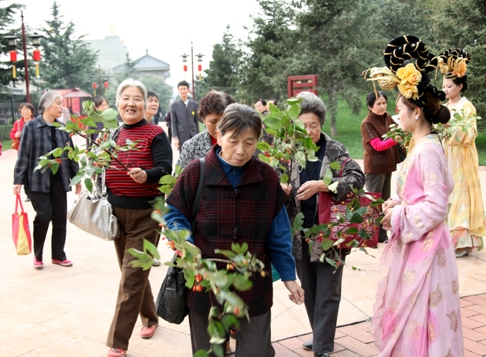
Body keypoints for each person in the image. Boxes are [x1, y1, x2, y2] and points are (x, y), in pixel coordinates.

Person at [165, 103, 304, 357]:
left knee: (256, 351)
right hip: (205, 283)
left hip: (253, 285)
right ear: (218, 135)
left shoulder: (267, 178)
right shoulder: (196, 173)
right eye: (234, 141)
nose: (241, 151)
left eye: (249, 143)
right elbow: (174, 214)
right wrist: (186, 243)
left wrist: (288, 276)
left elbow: (279, 234)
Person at [370, 36, 462, 356]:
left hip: (428, 250)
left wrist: (397, 215)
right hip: (420, 245)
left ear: (418, 112)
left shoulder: (427, 151)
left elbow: (436, 206)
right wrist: (397, 204)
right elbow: (420, 198)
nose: (397, 115)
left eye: (400, 109)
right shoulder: (422, 147)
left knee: (424, 322)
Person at [285, 91, 364, 357]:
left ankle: (323, 347)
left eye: (313, 126)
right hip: (300, 233)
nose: (308, 131)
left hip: (330, 232)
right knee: (310, 288)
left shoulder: (334, 149)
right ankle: (319, 334)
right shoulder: (289, 152)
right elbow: (274, 180)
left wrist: (327, 185)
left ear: (321, 124)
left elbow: (357, 176)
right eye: (302, 126)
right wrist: (281, 187)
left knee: (329, 291)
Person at [105, 79, 172, 357]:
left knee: (131, 278)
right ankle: (151, 317)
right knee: (132, 271)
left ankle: (117, 342)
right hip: (116, 214)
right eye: (125, 98)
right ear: (117, 103)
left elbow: (166, 168)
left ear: (146, 104)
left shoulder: (155, 133)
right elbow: (103, 168)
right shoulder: (113, 135)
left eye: (137, 98)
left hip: (146, 213)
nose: (131, 103)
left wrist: (147, 175)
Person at [13, 91, 81, 269]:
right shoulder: (31, 127)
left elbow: (71, 155)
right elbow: (23, 155)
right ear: (47, 105)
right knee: (43, 215)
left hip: (59, 180)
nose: (61, 107)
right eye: (58, 103)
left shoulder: (62, 128)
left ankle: (58, 255)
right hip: (37, 181)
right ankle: (38, 254)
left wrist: (77, 178)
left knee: (59, 218)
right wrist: (18, 180)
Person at [440, 49, 486, 257]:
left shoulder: (467, 106)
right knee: (447, 194)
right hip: (446, 156)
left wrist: (452, 129)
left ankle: (460, 241)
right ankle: (450, 239)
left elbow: (471, 132)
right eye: (444, 87)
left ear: (460, 86)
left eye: (449, 86)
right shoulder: (443, 106)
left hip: (462, 158)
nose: (446, 89)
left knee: (461, 196)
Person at [360, 91, 400, 243]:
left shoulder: (387, 117)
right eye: (378, 104)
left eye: (384, 103)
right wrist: (395, 139)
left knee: (385, 202)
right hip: (375, 167)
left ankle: (382, 235)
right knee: (374, 203)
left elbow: (399, 130)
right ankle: (370, 237)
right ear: (370, 107)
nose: (382, 106)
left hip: (387, 165)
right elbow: (377, 145)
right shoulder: (367, 123)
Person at [176, 90, 235, 168]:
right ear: (203, 119)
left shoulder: (247, 143)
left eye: (225, 120)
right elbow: (179, 177)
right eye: (213, 121)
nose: (220, 127)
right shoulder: (191, 147)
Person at [170, 80, 199, 151]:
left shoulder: (194, 104)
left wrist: (198, 135)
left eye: (184, 89)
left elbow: (196, 121)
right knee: (183, 157)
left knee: (195, 156)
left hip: (193, 134)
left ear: (188, 90)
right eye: (181, 89)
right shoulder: (174, 105)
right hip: (181, 135)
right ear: (178, 90)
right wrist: (175, 137)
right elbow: (173, 122)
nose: (182, 91)